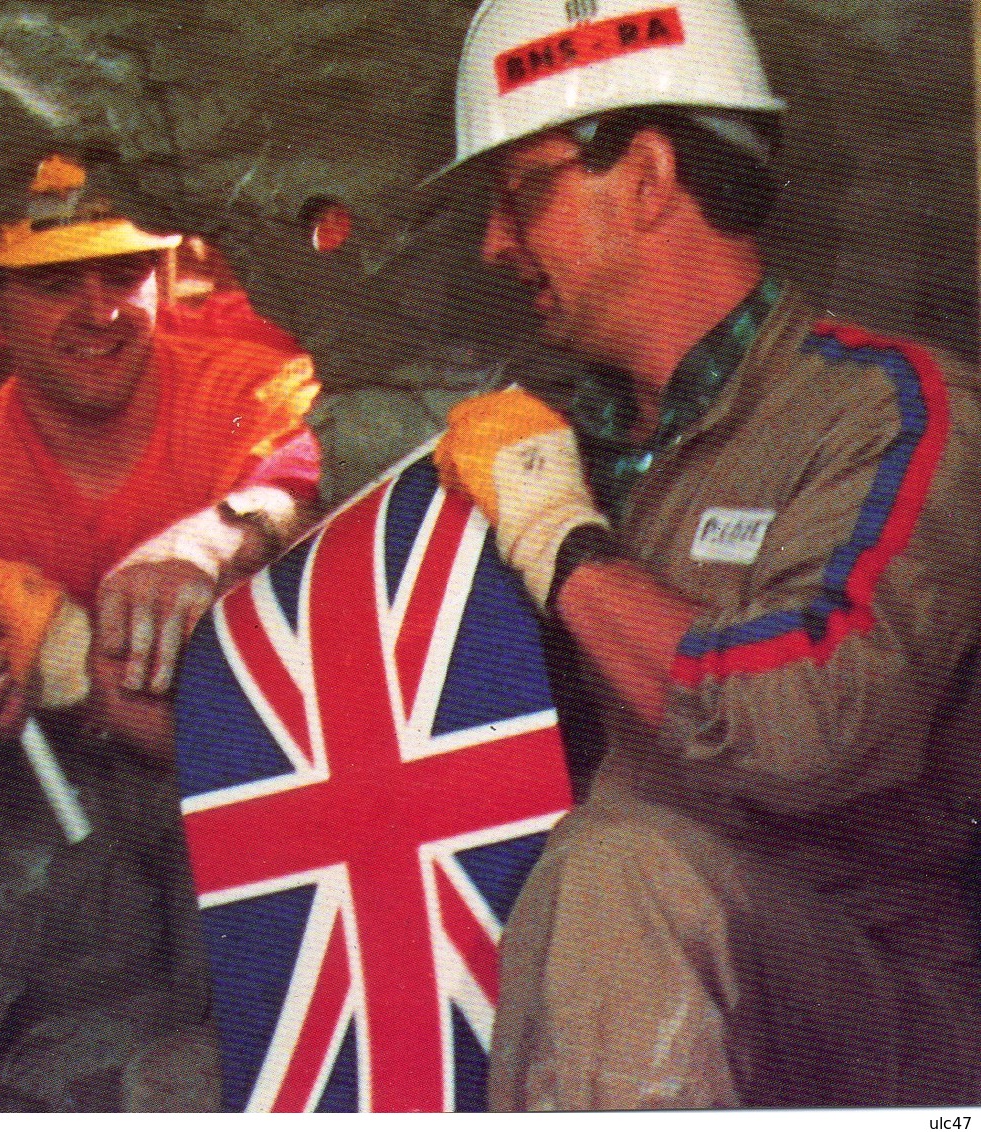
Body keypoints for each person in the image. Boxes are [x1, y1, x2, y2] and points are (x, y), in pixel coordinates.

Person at [425, 0, 981, 1109]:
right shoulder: (563, 441)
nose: (494, 243)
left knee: (618, 871)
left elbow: (819, 717)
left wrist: (559, 540)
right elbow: (393, 726)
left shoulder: (893, 411)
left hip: (879, 1015)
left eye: (520, 192)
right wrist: (90, 660)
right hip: (621, 999)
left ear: (645, 176)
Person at [0, 154, 320, 730]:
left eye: (122, 275)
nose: (101, 312)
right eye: (56, 285)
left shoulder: (248, 390)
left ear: (161, 279)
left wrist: (215, 539)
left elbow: (313, 482)